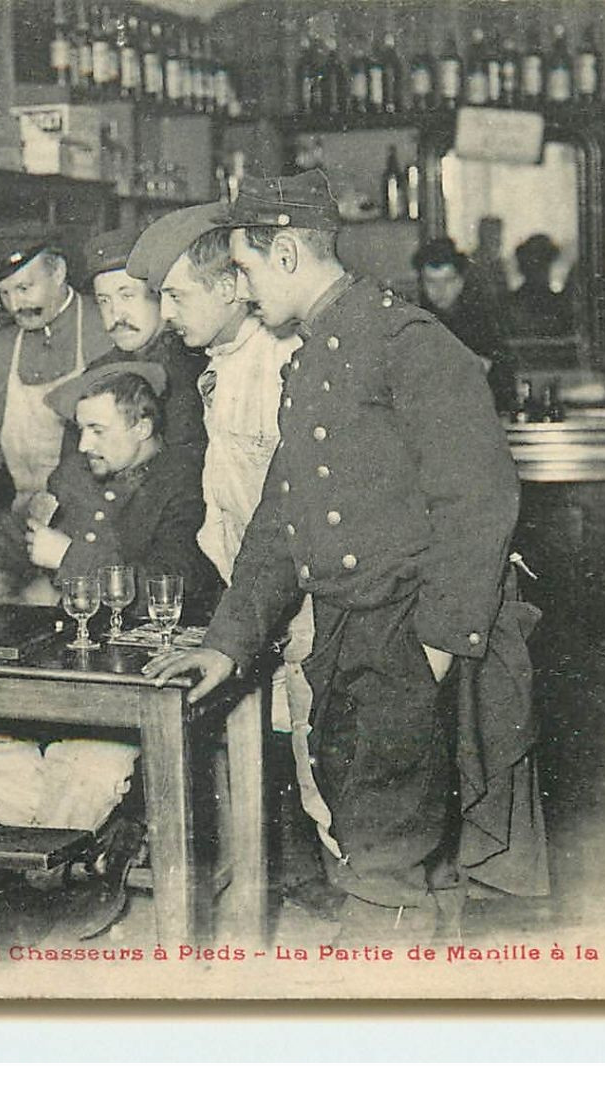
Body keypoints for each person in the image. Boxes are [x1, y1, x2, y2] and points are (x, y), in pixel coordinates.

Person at [145, 169, 546, 945]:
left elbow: (480, 501)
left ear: (288, 252)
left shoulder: (409, 344)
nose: (245, 287)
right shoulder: (311, 356)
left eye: (250, 268)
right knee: (370, 835)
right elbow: (279, 516)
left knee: (383, 858)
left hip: (409, 630)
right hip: (342, 633)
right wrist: (226, 643)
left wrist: (433, 646)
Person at [0, 362, 216, 938]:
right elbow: (14, 541)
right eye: (79, 430)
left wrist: (70, 559)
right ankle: (84, 859)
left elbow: (174, 583)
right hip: (66, 669)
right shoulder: (75, 474)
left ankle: (49, 880)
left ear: (142, 426)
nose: (83, 444)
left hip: (142, 673)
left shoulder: (185, 482)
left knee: (89, 759)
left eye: (97, 430)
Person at [128, 202, 338, 880]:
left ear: (229, 287)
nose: (164, 315)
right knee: (293, 765)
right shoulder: (218, 363)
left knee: (330, 777)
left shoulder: (285, 359)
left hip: (309, 600)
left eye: (176, 296)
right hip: (260, 598)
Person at [0, 223, 110, 514]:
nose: (15, 305)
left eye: (24, 288)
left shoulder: (101, 327)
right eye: (4, 294)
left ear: (58, 273)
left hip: (96, 511)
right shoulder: (3, 346)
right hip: (27, 510)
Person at [81, 226, 207, 453]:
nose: (116, 315)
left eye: (127, 295)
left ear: (159, 295)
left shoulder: (194, 370)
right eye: (104, 301)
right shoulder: (97, 373)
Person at [412, 236, 516, 413]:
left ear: (460, 281)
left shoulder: (481, 323)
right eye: (431, 281)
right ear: (421, 284)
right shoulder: (413, 322)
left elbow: (504, 382)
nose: (440, 289)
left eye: (448, 280)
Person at [510, 233, 574, 337]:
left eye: (546, 263)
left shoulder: (557, 301)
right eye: (539, 265)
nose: (544, 270)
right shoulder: (515, 302)